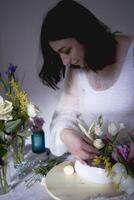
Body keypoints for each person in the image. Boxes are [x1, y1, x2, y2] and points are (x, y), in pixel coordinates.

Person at [39, 0, 134, 164]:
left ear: (84, 34)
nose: (65, 62)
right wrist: (67, 135)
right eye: (59, 54)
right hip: (95, 165)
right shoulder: (77, 69)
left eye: (66, 51)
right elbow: (64, 114)